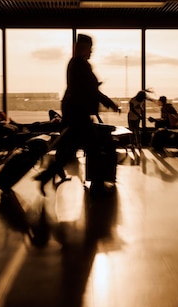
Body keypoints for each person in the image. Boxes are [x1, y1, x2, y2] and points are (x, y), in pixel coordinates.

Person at [35, 34, 119, 195]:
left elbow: (86, 88)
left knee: (70, 149)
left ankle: (46, 175)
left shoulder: (75, 64)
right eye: (90, 48)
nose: (92, 52)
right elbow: (91, 90)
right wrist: (109, 103)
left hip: (75, 113)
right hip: (78, 114)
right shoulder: (80, 64)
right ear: (82, 47)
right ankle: (97, 184)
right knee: (92, 147)